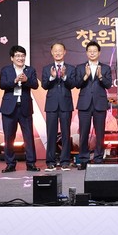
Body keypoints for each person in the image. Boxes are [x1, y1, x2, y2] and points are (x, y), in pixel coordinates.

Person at [0, 45, 39, 173]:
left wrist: (26, 80)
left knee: (28, 137)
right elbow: (2, 85)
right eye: (17, 56)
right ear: (12, 58)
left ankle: (31, 163)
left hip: (25, 107)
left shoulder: (30, 70)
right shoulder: (6, 70)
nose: (20, 58)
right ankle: (10, 164)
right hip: (9, 108)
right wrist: (15, 80)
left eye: (22, 56)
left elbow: (35, 85)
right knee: (9, 137)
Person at [74, 40, 113, 167]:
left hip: (99, 104)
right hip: (84, 104)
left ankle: (98, 159)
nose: (92, 53)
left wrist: (100, 76)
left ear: (99, 53)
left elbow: (108, 84)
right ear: (86, 53)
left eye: (94, 51)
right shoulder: (80, 67)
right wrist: (85, 76)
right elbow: (77, 84)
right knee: (83, 133)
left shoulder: (105, 68)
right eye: (90, 51)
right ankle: (84, 160)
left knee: (100, 134)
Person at [41, 42, 76, 171]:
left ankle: (65, 161)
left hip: (66, 104)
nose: (58, 53)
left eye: (60, 50)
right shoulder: (47, 68)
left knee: (66, 134)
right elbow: (44, 85)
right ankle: (50, 161)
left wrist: (65, 76)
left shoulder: (71, 68)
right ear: (52, 52)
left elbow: (72, 84)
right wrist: (52, 77)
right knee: (51, 134)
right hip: (51, 105)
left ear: (64, 52)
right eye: (55, 51)